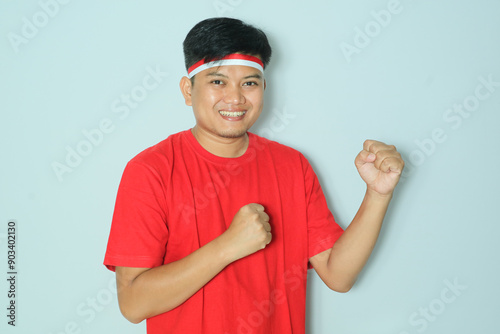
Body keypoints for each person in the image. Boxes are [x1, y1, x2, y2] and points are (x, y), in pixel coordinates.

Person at [103, 17, 404, 334]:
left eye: (249, 83)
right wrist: (227, 247)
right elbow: (133, 304)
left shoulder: (292, 166)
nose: (235, 98)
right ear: (187, 90)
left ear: (263, 88)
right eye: (217, 82)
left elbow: (338, 275)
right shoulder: (151, 171)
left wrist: (378, 194)